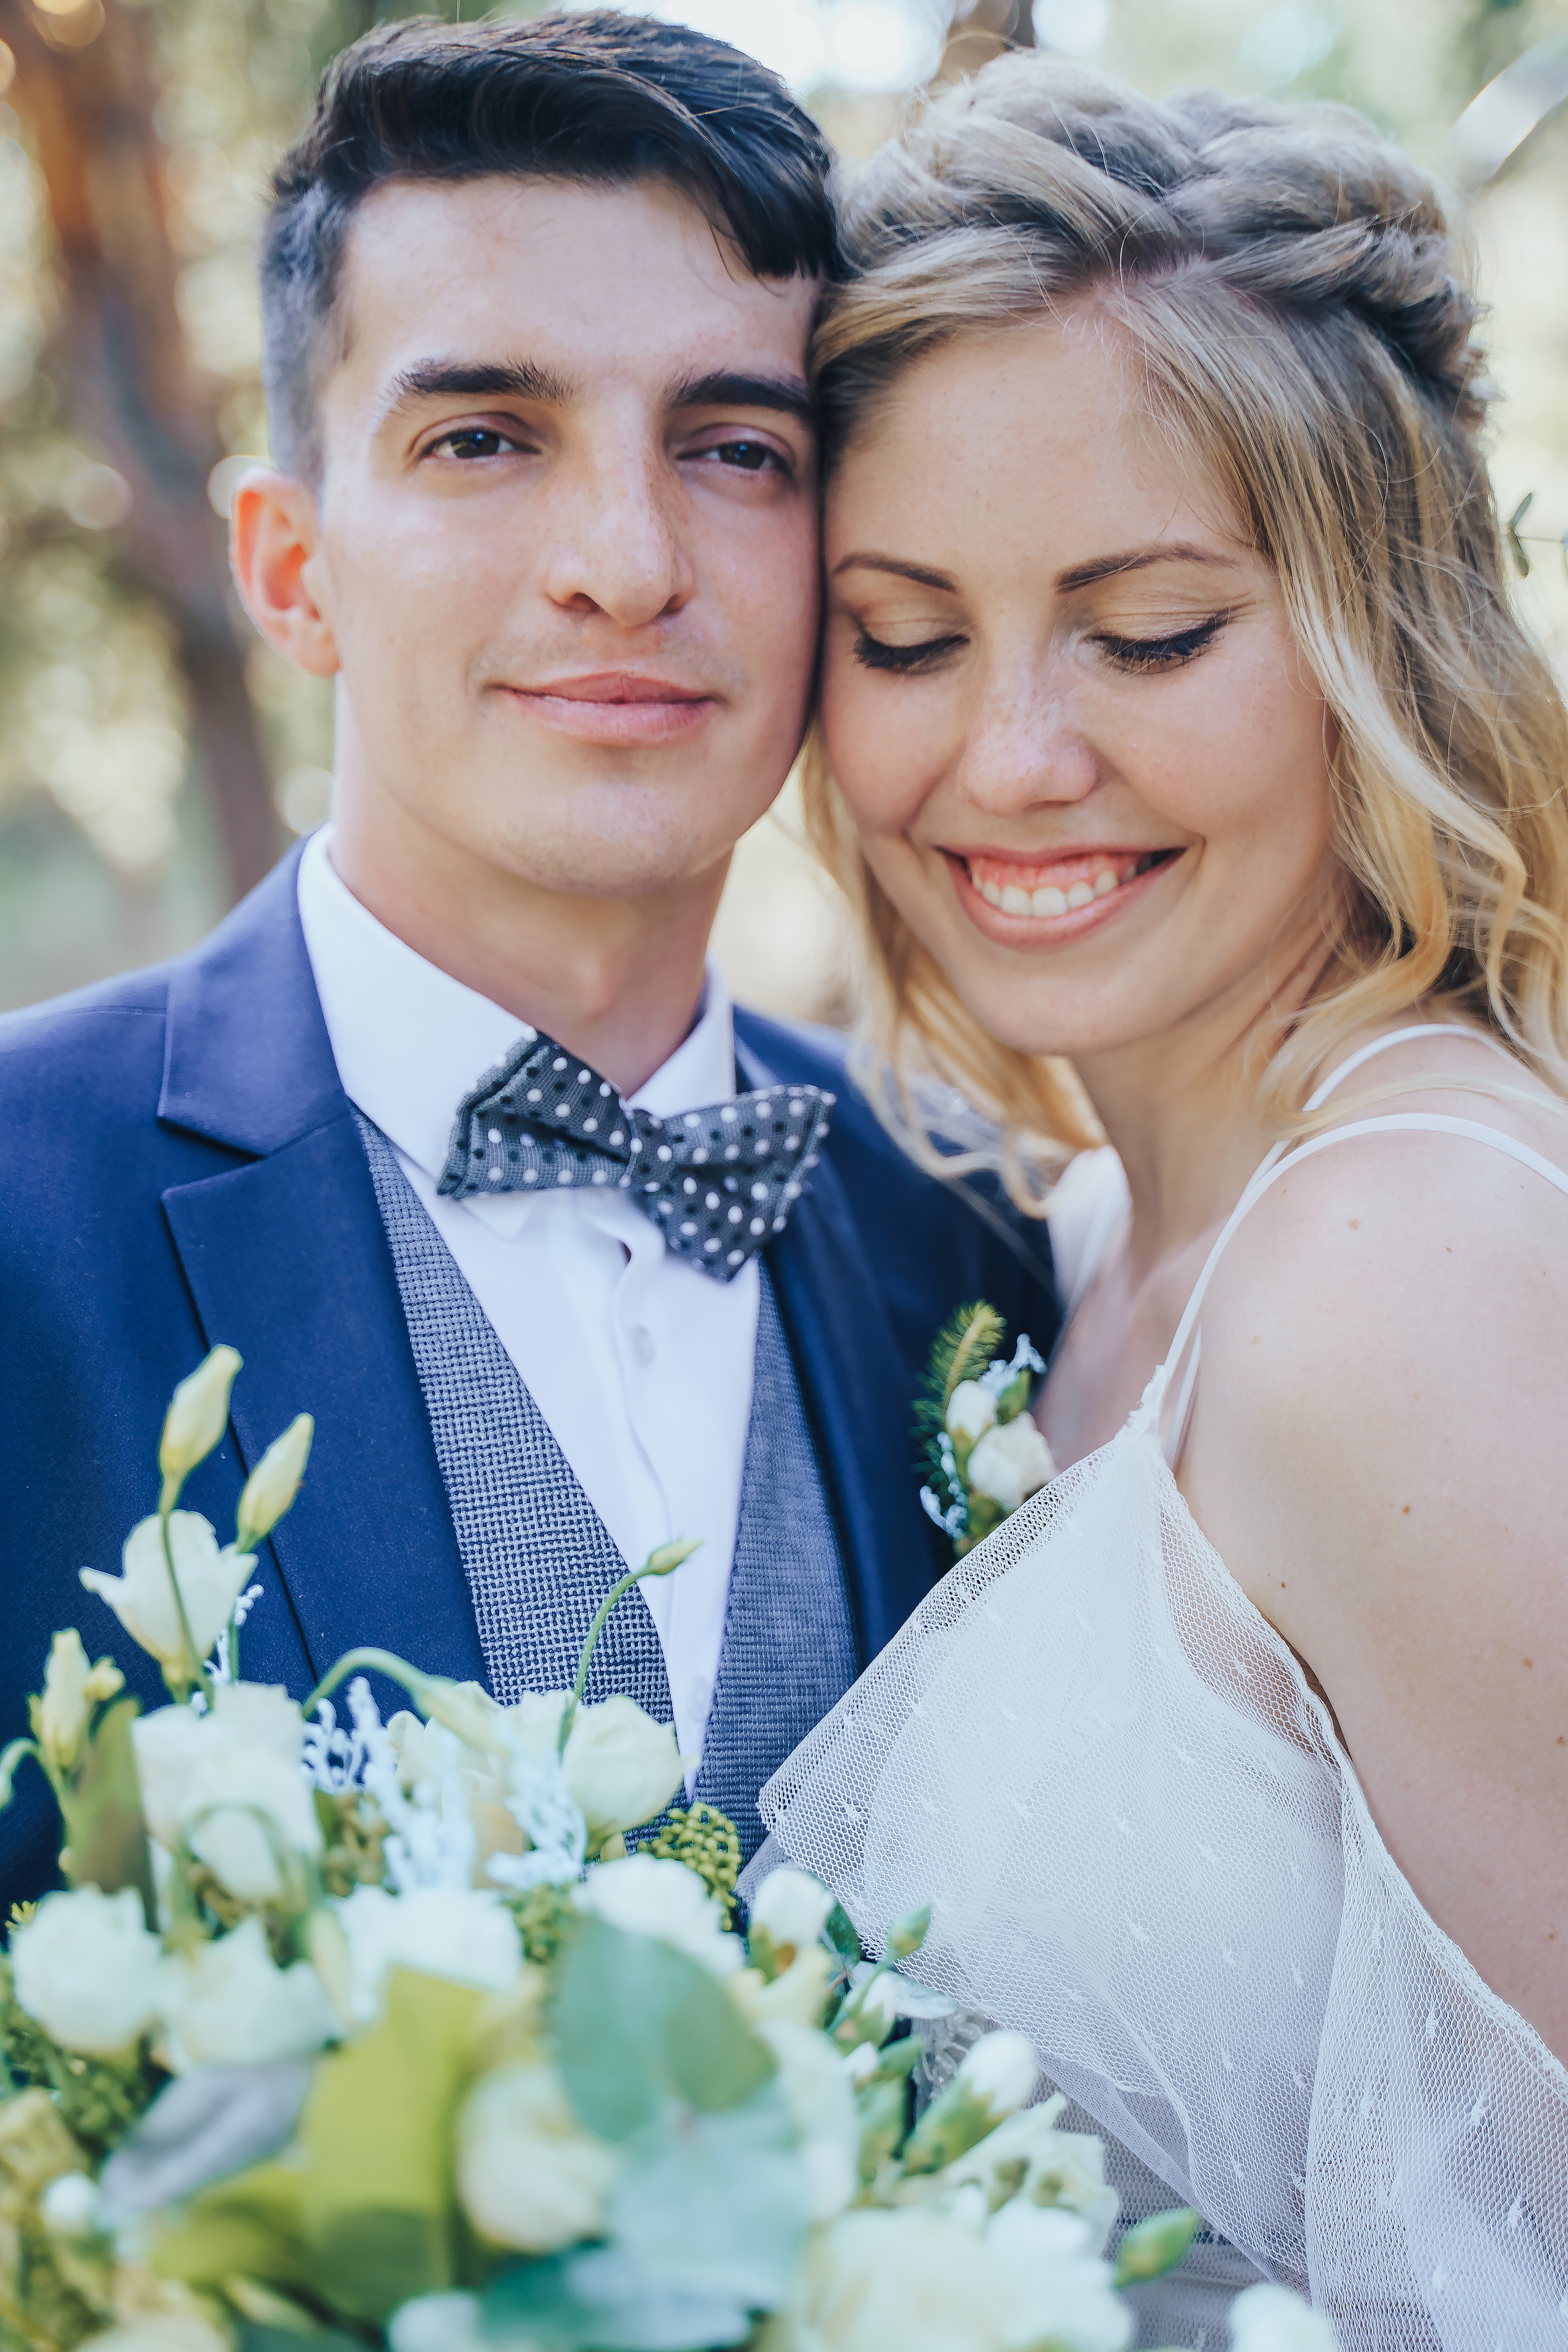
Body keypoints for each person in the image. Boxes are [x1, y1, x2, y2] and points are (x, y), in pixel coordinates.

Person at [0, 12, 1056, 1909]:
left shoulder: (974, 1231)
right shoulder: (20, 1206)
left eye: (736, 448)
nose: (627, 560)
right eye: (483, 436)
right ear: (288, 565)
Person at [750, 55, 1568, 2352]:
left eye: (1148, 630)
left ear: (1377, 633)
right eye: (906, 635)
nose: (1011, 756)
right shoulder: (1090, 1246)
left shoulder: (1405, 1275)